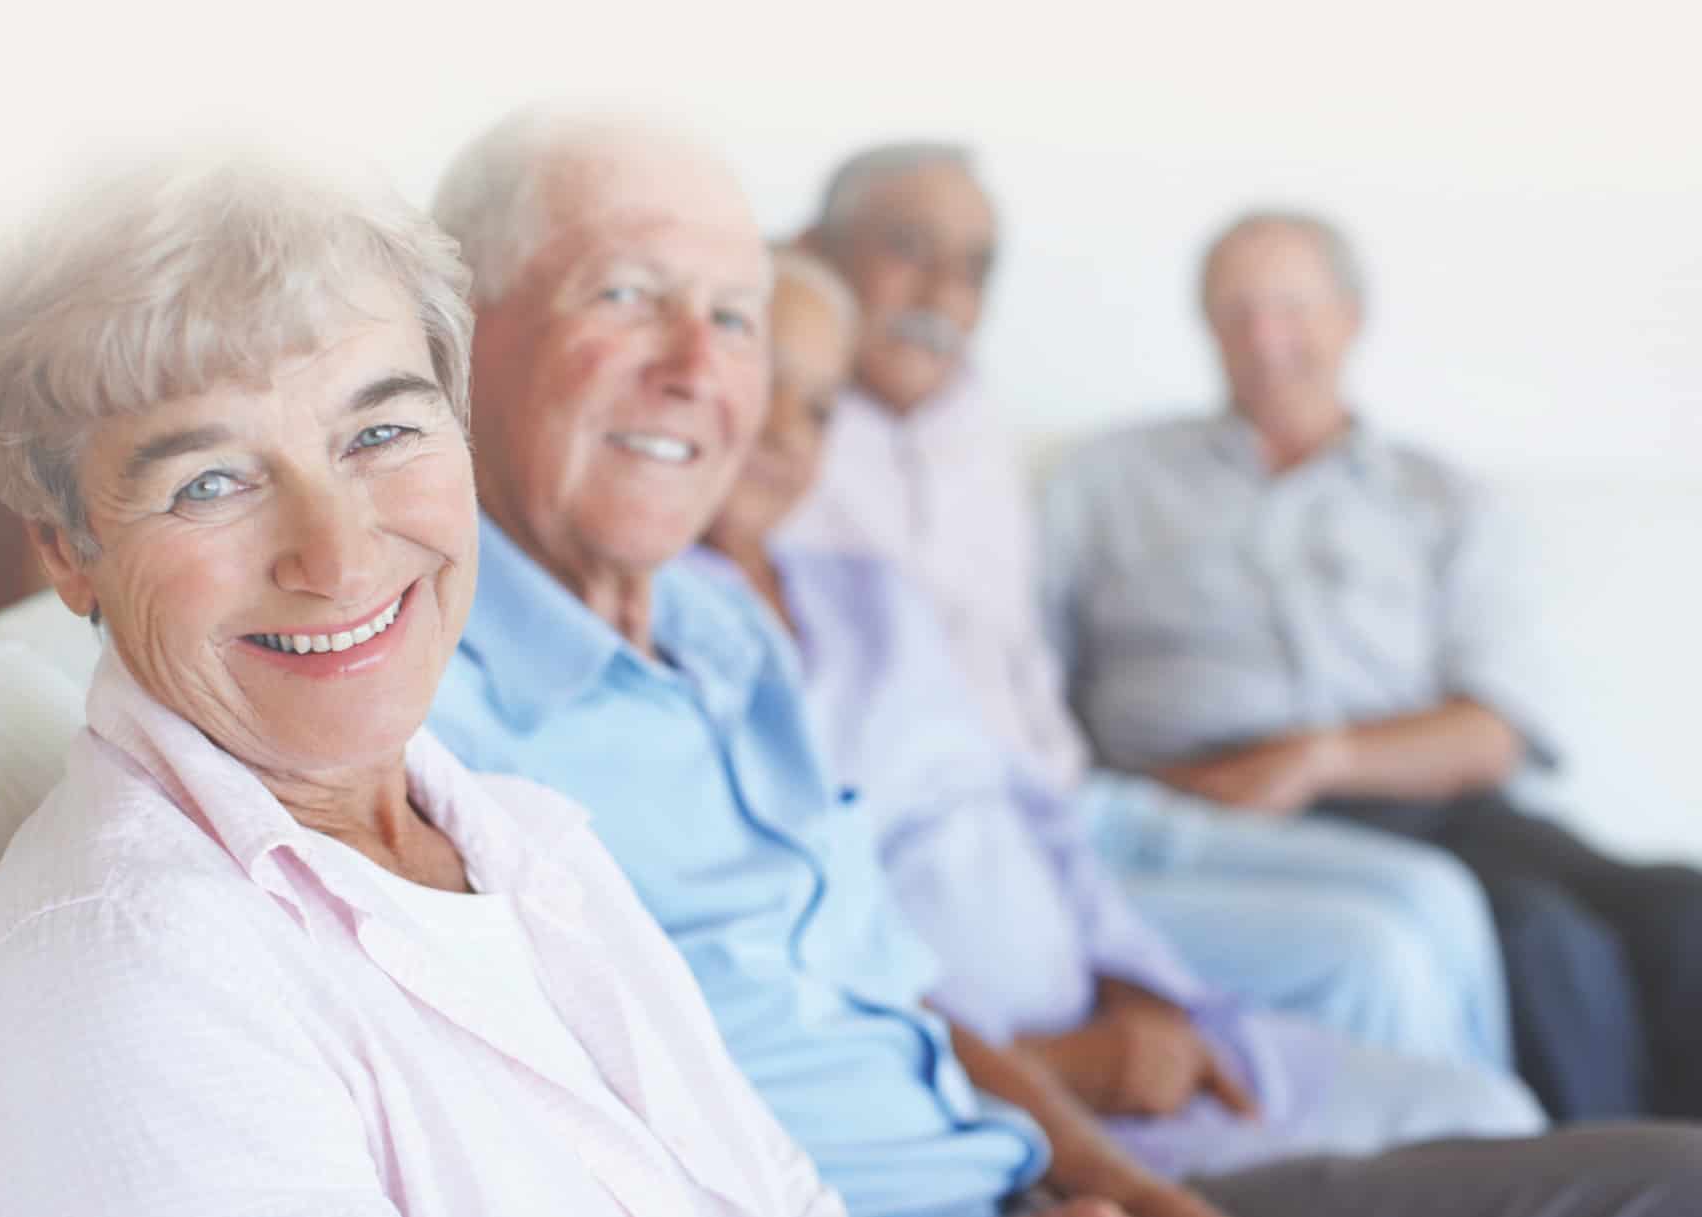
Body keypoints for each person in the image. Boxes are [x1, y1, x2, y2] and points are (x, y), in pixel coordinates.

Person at [426, 105, 1702, 1217]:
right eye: (624, 292)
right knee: (1435, 950)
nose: (705, 371)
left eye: (733, 317)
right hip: (974, 1126)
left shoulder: (727, 638)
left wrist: (1111, 1174)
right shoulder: (423, 702)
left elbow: (898, 988)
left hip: (1029, 1145)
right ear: (460, 322)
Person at [0, 154, 849, 1217]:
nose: (339, 558)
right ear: (68, 550)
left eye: (379, 432)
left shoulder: (516, 836)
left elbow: (780, 1186)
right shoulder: (133, 974)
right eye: (211, 482)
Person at [692, 246, 1546, 1183]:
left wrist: (1140, 989)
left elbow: (1032, 810)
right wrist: (1060, 1074)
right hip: (1021, 1096)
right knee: (1407, 1002)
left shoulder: (868, 596)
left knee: (1486, 1105)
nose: (783, 431)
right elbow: (809, 962)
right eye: (764, 381)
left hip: (1109, 1006)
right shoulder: (673, 648)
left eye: (817, 407)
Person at [779, 142, 1508, 1071]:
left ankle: (1513, 1171)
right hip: (981, 834)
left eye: (974, 267)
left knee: (1441, 897)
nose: (941, 293)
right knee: (1375, 951)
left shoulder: (971, 424)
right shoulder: (774, 436)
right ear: (812, 248)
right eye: (906, 246)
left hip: (1078, 800)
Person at [1040, 207, 1702, 1122]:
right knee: (1541, 938)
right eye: (1235, 311)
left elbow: (1493, 729)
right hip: (1221, 802)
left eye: (1291, 307)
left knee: (1682, 909)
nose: (1265, 338)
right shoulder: (1105, 482)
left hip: (1427, 789)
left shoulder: (1440, 496)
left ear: (1350, 317)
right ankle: (1601, 1182)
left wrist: (1319, 757)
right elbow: (1027, 689)